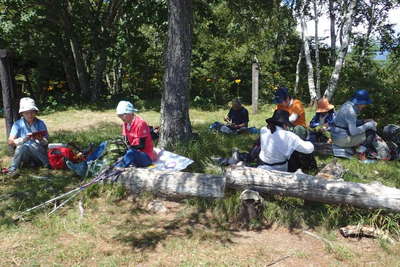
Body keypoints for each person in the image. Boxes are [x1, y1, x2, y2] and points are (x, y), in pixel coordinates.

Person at [7, 97, 50, 177]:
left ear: (35, 112)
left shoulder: (40, 123)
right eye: (27, 113)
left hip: (39, 154)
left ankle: (47, 164)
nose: (30, 115)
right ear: (22, 113)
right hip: (25, 155)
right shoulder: (17, 124)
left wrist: (41, 139)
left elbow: (47, 143)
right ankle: (12, 169)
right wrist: (22, 140)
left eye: (32, 112)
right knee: (22, 147)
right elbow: (10, 142)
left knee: (32, 144)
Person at [330, 89, 377, 157]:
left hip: (335, 136)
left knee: (365, 127)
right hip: (341, 140)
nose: (365, 105)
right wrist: (368, 125)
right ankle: (361, 152)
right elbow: (353, 132)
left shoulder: (347, 104)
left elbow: (349, 122)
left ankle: (357, 148)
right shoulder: (352, 111)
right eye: (365, 104)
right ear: (361, 103)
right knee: (370, 132)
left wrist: (363, 121)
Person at [115, 100, 156, 168]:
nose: (121, 118)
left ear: (130, 113)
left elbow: (141, 145)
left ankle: (116, 168)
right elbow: (125, 140)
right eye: (119, 116)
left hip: (145, 156)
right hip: (132, 152)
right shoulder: (125, 124)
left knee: (131, 153)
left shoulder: (141, 124)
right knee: (107, 145)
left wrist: (127, 149)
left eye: (123, 115)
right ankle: (91, 161)